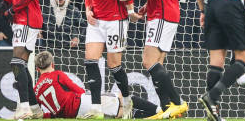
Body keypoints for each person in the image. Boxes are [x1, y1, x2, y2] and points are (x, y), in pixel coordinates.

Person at [117, 0, 189, 119]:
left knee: (148, 61)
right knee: (157, 64)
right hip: (164, 12)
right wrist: (148, 5)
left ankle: (178, 103)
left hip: (163, 15)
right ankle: (168, 110)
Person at [79, 0, 136, 118]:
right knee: (90, 61)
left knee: (114, 65)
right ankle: (96, 108)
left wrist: (129, 10)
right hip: (96, 21)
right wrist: (88, 9)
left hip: (114, 21)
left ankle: (127, 101)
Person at [33, 50, 161, 119]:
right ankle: (160, 111)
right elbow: (78, 89)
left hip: (74, 115)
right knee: (124, 100)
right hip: (82, 103)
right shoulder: (57, 74)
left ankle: (158, 116)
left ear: (37, 69)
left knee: (120, 114)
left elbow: (40, 114)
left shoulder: (36, 90)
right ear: (52, 64)